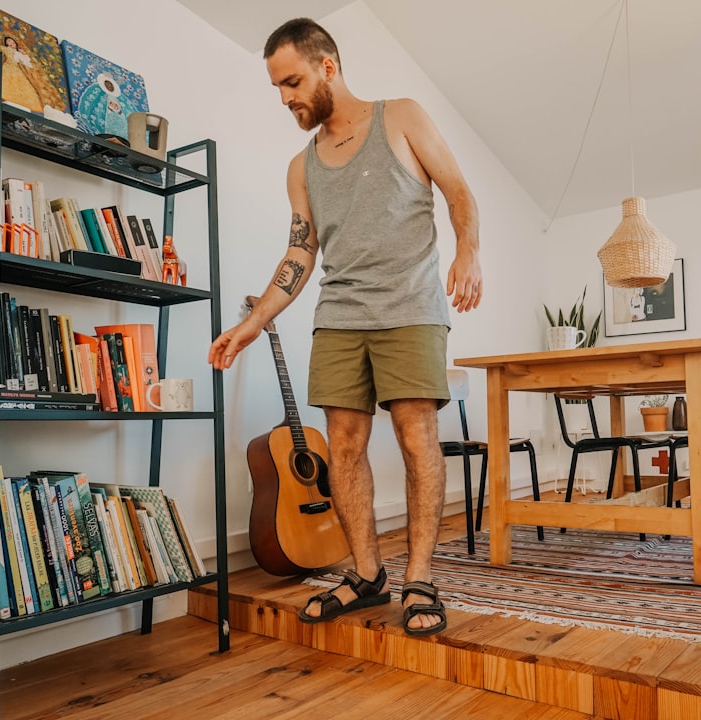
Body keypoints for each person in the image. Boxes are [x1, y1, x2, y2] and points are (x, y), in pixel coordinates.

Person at [207, 18, 482, 637]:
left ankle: (419, 579)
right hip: (338, 318)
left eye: (293, 82)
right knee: (345, 448)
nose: (286, 98)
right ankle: (366, 575)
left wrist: (469, 248)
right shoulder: (301, 167)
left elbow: (459, 191)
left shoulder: (402, 117)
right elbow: (300, 253)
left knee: (417, 439)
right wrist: (253, 323)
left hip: (410, 307)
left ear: (327, 65)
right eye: (278, 88)